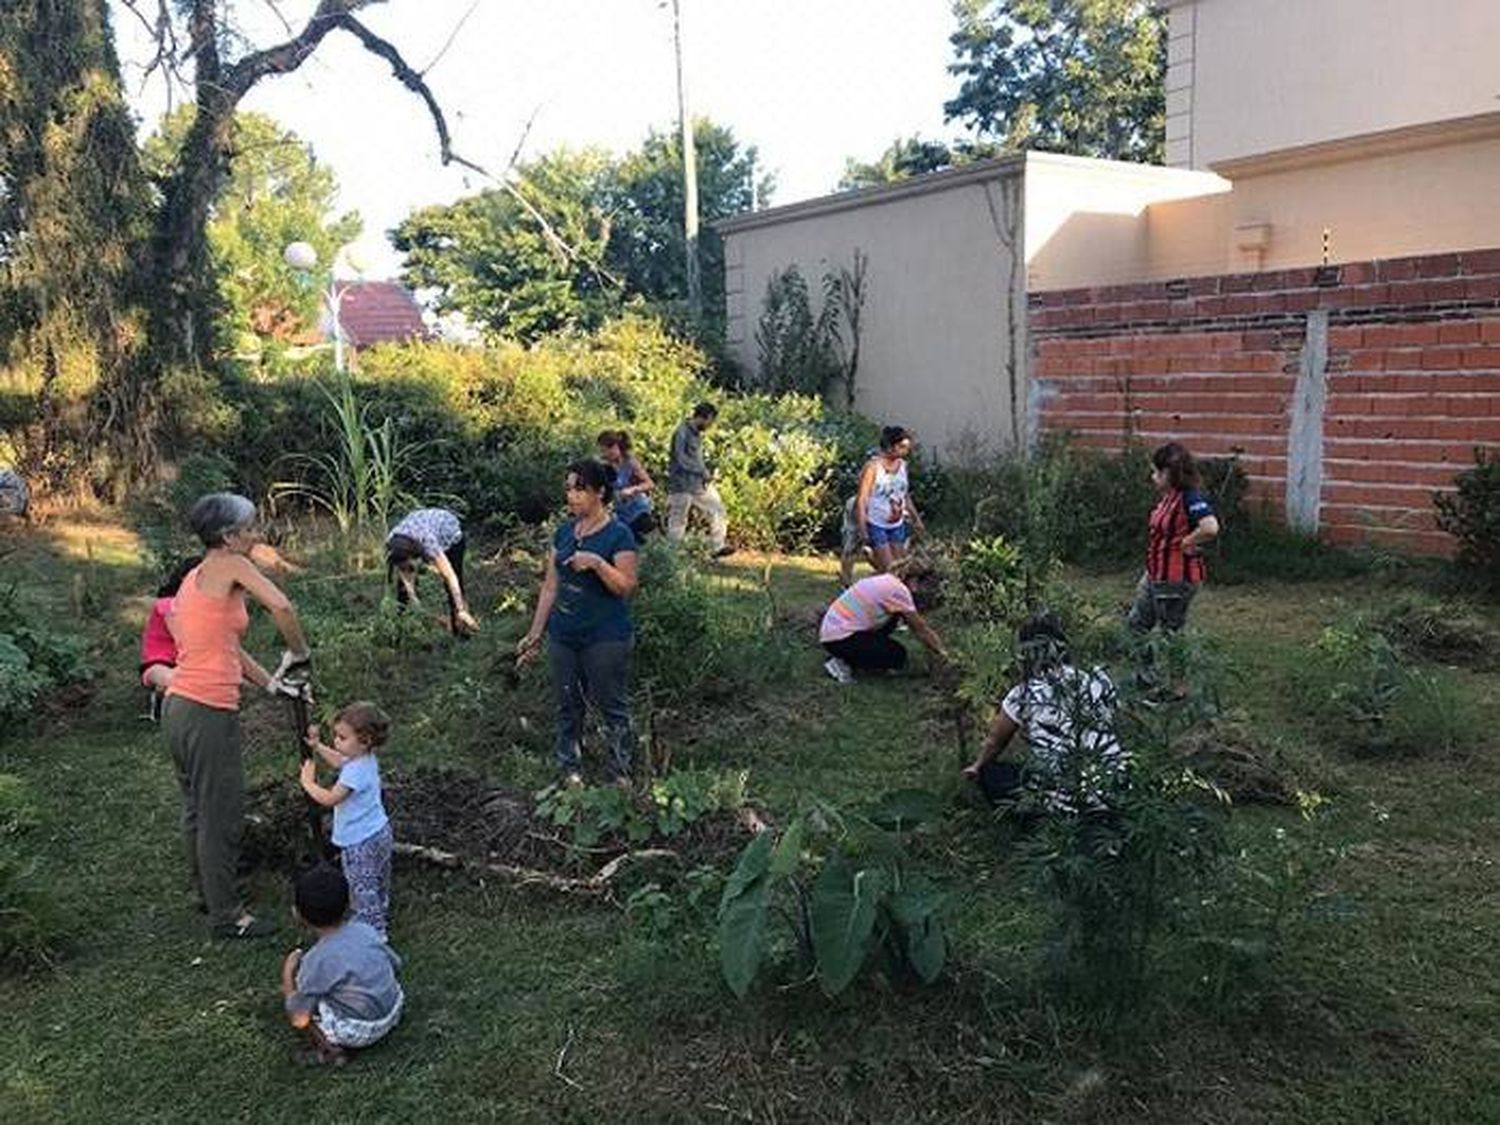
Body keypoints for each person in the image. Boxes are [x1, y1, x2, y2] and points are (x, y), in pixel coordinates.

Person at [163, 493, 310, 939]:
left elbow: (227, 646)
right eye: (248, 527)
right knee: (220, 815)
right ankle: (228, 917)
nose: (254, 533)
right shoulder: (232, 565)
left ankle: (208, 892)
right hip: (207, 710)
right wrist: (299, 653)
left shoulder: (195, 576)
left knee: (196, 809)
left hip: (177, 706)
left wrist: (269, 682)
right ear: (227, 537)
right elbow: (283, 606)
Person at [516, 459, 639, 786]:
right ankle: (569, 769)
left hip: (605, 636)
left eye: (580, 489)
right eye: (569, 489)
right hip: (564, 635)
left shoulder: (619, 535)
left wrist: (598, 563)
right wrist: (535, 634)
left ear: (600, 493)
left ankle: (620, 772)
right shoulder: (563, 532)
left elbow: (626, 587)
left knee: (612, 704)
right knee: (568, 704)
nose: (571, 496)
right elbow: (550, 586)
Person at [962, 611, 1128, 813]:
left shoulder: (1022, 694)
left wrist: (977, 766)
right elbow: (1116, 721)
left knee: (991, 774)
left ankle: (1048, 817)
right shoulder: (1096, 677)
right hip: (1115, 785)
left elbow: (995, 742)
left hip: (1067, 798)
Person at [281, 864, 404, 1066]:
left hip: (361, 1031)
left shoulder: (316, 961)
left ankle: (329, 1051)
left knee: (307, 1005)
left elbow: (298, 1019)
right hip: (394, 1008)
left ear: (297, 914)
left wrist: (287, 974)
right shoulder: (365, 930)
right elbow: (396, 964)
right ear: (348, 905)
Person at [301, 702, 395, 939]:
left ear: (364, 740)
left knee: (361, 887)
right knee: (378, 877)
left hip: (359, 841)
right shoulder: (365, 759)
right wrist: (317, 746)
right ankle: (380, 910)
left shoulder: (354, 772)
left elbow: (331, 798)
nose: (336, 741)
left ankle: (374, 934)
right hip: (380, 832)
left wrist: (308, 784)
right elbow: (339, 760)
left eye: (342, 737)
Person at [1127, 442, 1220, 635]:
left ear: (1168, 473)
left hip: (1175, 578)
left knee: (1169, 634)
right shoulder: (1169, 497)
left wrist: (1187, 542)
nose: (1152, 477)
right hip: (1156, 573)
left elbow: (1210, 527)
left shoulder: (1190, 497)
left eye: (1156, 472)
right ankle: (1139, 664)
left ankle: (1170, 665)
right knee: (1136, 625)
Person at [819, 563, 949, 683]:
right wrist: (942, 652)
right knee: (897, 655)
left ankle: (851, 656)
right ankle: (843, 663)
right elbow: (920, 628)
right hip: (839, 638)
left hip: (833, 632)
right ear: (914, 580)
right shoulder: (899, 591)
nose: (919, 591)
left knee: (893, 618)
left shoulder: (886, 580)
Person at [386, 507, 479, 635]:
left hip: (450, 531)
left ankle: (460, 627)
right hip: (422, 527)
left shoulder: (429, 543)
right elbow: (405, 575)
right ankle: (399, 628)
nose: (407, 570)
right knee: (401, 589)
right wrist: (416, 603)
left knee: (452, 581)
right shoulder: (393, 542)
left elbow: (450, 576)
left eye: (408, 566)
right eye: (403, 567)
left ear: (413, 555)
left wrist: (460, 609)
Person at [852, 426, 924, 579]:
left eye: (907, 448)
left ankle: (884, 592)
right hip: (876, 523)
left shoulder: (903, 466)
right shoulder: (872, 467)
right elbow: (862, 499)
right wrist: (862, 528)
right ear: (890, 446)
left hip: (896, 524)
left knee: (902, 568)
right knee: (890, 571)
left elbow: (905, 495)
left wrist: (916, 519)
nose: (906, 451)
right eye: (902, 447)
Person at [139, 555, 203, 717]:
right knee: (179, 679)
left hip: (186, 663)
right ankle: (163, 699)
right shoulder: (167, 603)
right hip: (159, 663)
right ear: (184, 578)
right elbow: (184, 639)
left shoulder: (200, 608)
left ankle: (169, 697)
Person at [665, 402, 731, 557]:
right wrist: (701, 471)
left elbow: (695, 458)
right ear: (704, 417)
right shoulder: (681, 433)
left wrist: (705, 472)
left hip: (698, 485)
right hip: (681, 485)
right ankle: (671, 556)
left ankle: (717, 548)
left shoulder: (697, 434)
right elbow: (680, 460)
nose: (711, 425)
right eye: (711, 421)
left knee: (718, 509)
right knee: (678, 521)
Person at [598, 429, 656, 539]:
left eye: (608, 451)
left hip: (638, 510)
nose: (605, 455)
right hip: (621, 514)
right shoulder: (605, 466)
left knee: (650, 542)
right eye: (603, 451)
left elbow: (650, 484)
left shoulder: (630, 462)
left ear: (616, 447)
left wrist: (633, 490)